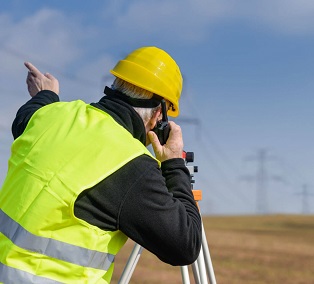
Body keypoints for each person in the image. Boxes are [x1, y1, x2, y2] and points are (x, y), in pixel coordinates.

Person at [0, 46, 202, 283]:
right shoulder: (133, 166)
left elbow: (27, 116)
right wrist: (174, 164)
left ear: (116, 86)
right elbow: (185, 245)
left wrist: (47, 94)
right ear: (160, 114)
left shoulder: (49, 117)